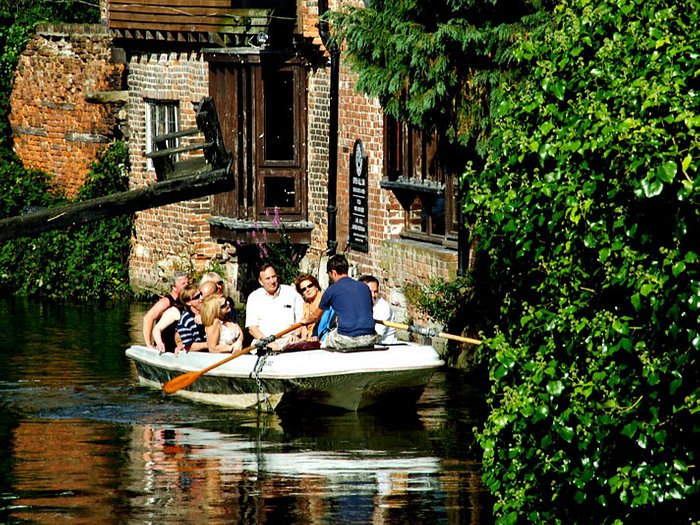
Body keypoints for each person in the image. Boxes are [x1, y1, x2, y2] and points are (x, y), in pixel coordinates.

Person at [301, 254, 378, 349]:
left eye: (329, 275)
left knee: (324, 341)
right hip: (370, 337)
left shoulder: (331, 290)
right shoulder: (364, 287)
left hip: (346, 338)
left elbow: (316, 317)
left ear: (333, 272)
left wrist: (305, 320)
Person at [245, 263, 303, 350]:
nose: (272, 281)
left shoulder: (291, 293)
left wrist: (296, 335)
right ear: (261, 282)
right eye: (268, 278)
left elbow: (302, 318)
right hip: (263, 342)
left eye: (274, 276)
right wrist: (268, 343)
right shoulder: (254, 297)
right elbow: (252, 328)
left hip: (288, 341)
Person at [142, 271, 189, 349]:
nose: (187, 286)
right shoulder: (166, 301)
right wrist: (149, 344)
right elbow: (148, 318)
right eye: (183, 284)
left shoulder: (184, 300)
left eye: (188, 283)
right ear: (174, 287)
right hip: (166, 345)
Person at [359, 275, 398, 344]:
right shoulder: (357, 304)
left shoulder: (383, 307)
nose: (373, 295)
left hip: (385, 346)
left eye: (375, 291)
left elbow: (375, 336)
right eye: (369, 291)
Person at [175, 284, 210, 353]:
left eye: (201, 294)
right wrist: (210, 344)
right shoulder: (185, 321)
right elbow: (188, 346)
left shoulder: (208, 311)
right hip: (198, 355)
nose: (201, 298)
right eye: (197, 297)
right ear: (188, 302)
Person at [294, 273, 323, 340]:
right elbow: (304, 326)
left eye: (310, 286)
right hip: (309, 340)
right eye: (303, 289)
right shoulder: (305, 305)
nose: (307, 290)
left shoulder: (324, 300)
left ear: (316, 286)